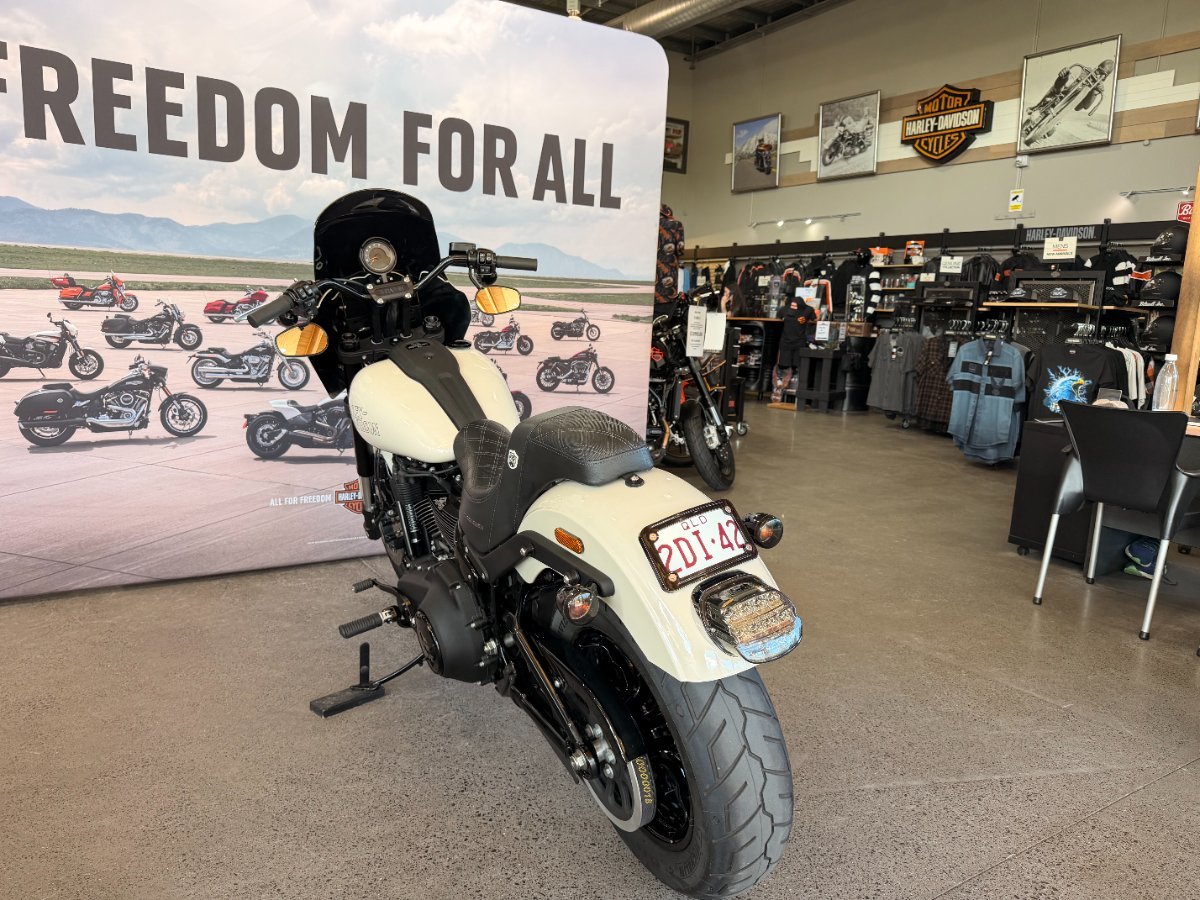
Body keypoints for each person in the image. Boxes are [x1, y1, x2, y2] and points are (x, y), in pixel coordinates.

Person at [771, 298, 816, 404]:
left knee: (796, 368)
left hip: (797, 343)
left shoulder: (808, 310)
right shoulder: (785, 309)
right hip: (787, 343)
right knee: (784, 367)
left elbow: (814, 319)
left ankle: (794, 394)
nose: (793, 308)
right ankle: (781, 390)